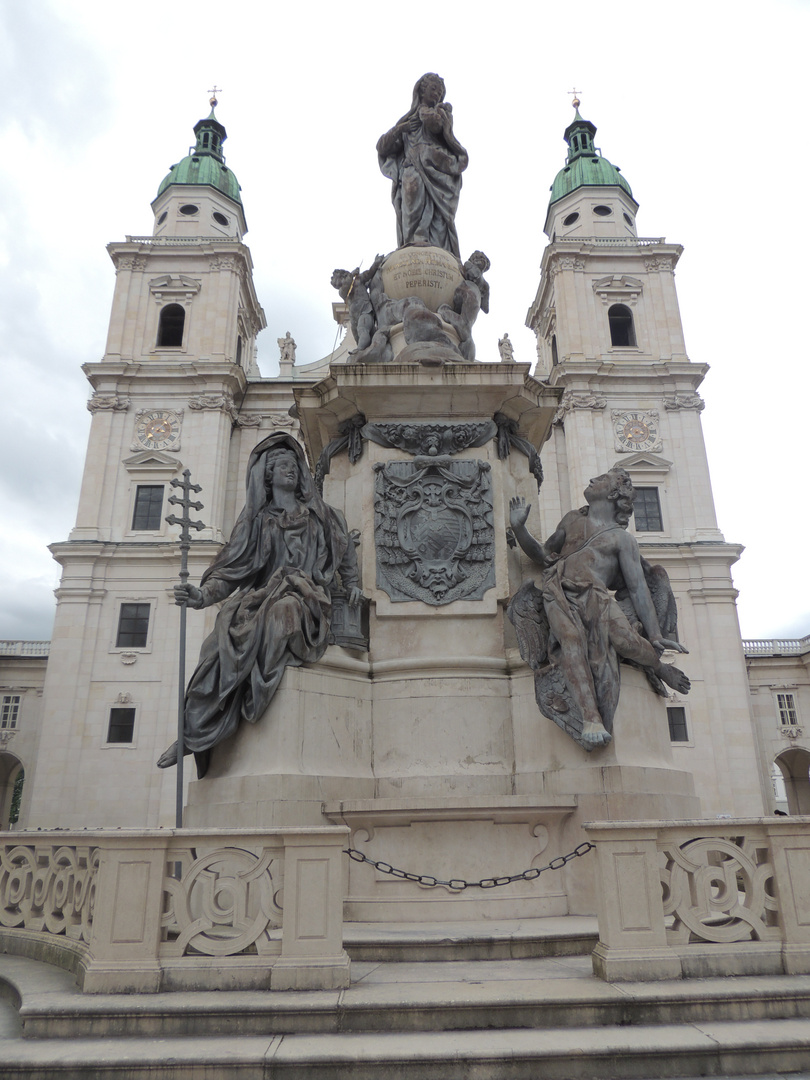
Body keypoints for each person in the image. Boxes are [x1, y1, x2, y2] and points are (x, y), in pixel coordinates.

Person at [158, 434, 362, 778]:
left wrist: (353, 584)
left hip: (308, 597)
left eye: (295, 466)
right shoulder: (258, 521)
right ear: (267, 476)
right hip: (263, 594)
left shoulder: (321, 516)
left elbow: (344, 551)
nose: (292, 472)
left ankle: (244, 701)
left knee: (282, 616)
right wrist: (204, 595)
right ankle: (194, 730)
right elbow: (234, 568)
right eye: (283, 466)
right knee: (219, 639)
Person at [508, 468, 690, 748]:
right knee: (570, 641)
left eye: (601, 479)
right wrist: (520, 529)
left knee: (627, 641)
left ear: (613, 493)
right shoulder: (571, 520)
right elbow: (544, 555)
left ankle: (660, 668)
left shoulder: (622, 539)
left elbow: (640, 588)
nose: (592, 479)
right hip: (558, 592)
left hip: (596, 596)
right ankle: (591, 718)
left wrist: (654, 635)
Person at [377, 73, 468, 259]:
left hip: (437, 168)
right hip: (411, 166)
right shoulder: (407, 121)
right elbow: (382, 147)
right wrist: (400, 129)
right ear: (422, 90)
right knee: (411, 193)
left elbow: (437, 128)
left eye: (440, 92)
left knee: (439, 216)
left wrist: (439, 116)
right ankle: (412, 246)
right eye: (433, 89)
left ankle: (436, 251)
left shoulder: (439, 115)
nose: (437, 94)